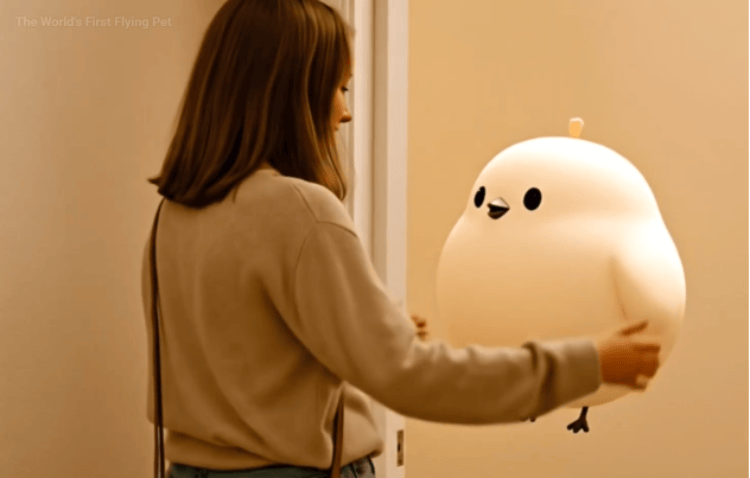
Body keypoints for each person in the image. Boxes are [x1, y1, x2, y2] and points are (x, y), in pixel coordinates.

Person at [141, 0, 662, 477]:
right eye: (339, 89)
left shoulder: (174, 214)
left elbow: (241, 364)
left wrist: (362, 332)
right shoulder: (301, 211)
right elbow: (414, 379)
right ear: (291, 93)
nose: (345, 112)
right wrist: (587, 364)